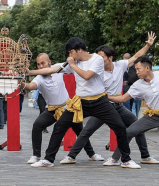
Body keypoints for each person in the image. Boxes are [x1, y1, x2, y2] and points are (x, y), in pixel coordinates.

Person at [28, 37, 138, 169]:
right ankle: (48, 159)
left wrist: (72, 65)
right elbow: (51, 69)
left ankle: (126, 160)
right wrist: (30, 72)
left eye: (71, 52)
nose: (70, 56)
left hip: (99, 101)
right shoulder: (73, 62)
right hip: (80, 102)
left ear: (79, 50)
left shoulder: (96, 59)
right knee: (59, 127)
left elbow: (87, 76)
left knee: (119, 127)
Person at [59, 31, 157, 166]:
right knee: (87, 131)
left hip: (119, 107)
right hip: (103, 106)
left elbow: (136, 57)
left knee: (136, 126)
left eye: (102, 57)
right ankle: (71, 156)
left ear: (110, 58)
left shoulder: (120, 66)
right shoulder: (96, 72)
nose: (99, 59)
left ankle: (145, 156)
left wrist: (148, 46)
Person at [21, 53, 100, 164]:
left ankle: (91, 154)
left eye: (43, 63)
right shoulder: (39, 78)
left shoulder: (58, 67)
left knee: (80, 131)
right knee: (37, 125)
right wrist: (19, 82)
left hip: (68, 108)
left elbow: (74, 63)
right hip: (52, 110)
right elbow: (29, 87)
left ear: (49, 62)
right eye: (38, 64)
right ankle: (36, 155)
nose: (40, 66)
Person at [107, 55, 159, 166]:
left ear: (147, 68)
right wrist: (108, 97)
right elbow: (122, 98)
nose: (137, 72)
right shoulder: (137, 85)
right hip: (153, 115)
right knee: (129, 131)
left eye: (138, 69)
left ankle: (145, 157)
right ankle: (115, 159)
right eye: (135, 70)